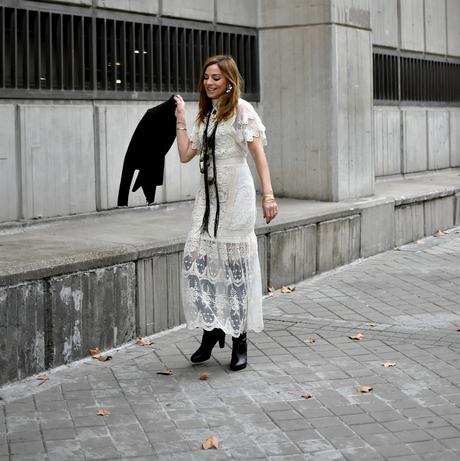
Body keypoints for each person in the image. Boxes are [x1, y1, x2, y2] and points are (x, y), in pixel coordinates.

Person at [174, 55, 277, 371]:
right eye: (206, 77)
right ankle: (211, 329)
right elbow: (185, 154)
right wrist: (180, 116)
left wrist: (268, 196)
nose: (209, 83)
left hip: (236, 196)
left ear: (229, 81)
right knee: (198, 261)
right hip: (207, 200)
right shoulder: (205, 116)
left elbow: (258, 155)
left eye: (216, 78)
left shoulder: (241, 111)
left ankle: (239, 339)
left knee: (235, 270)